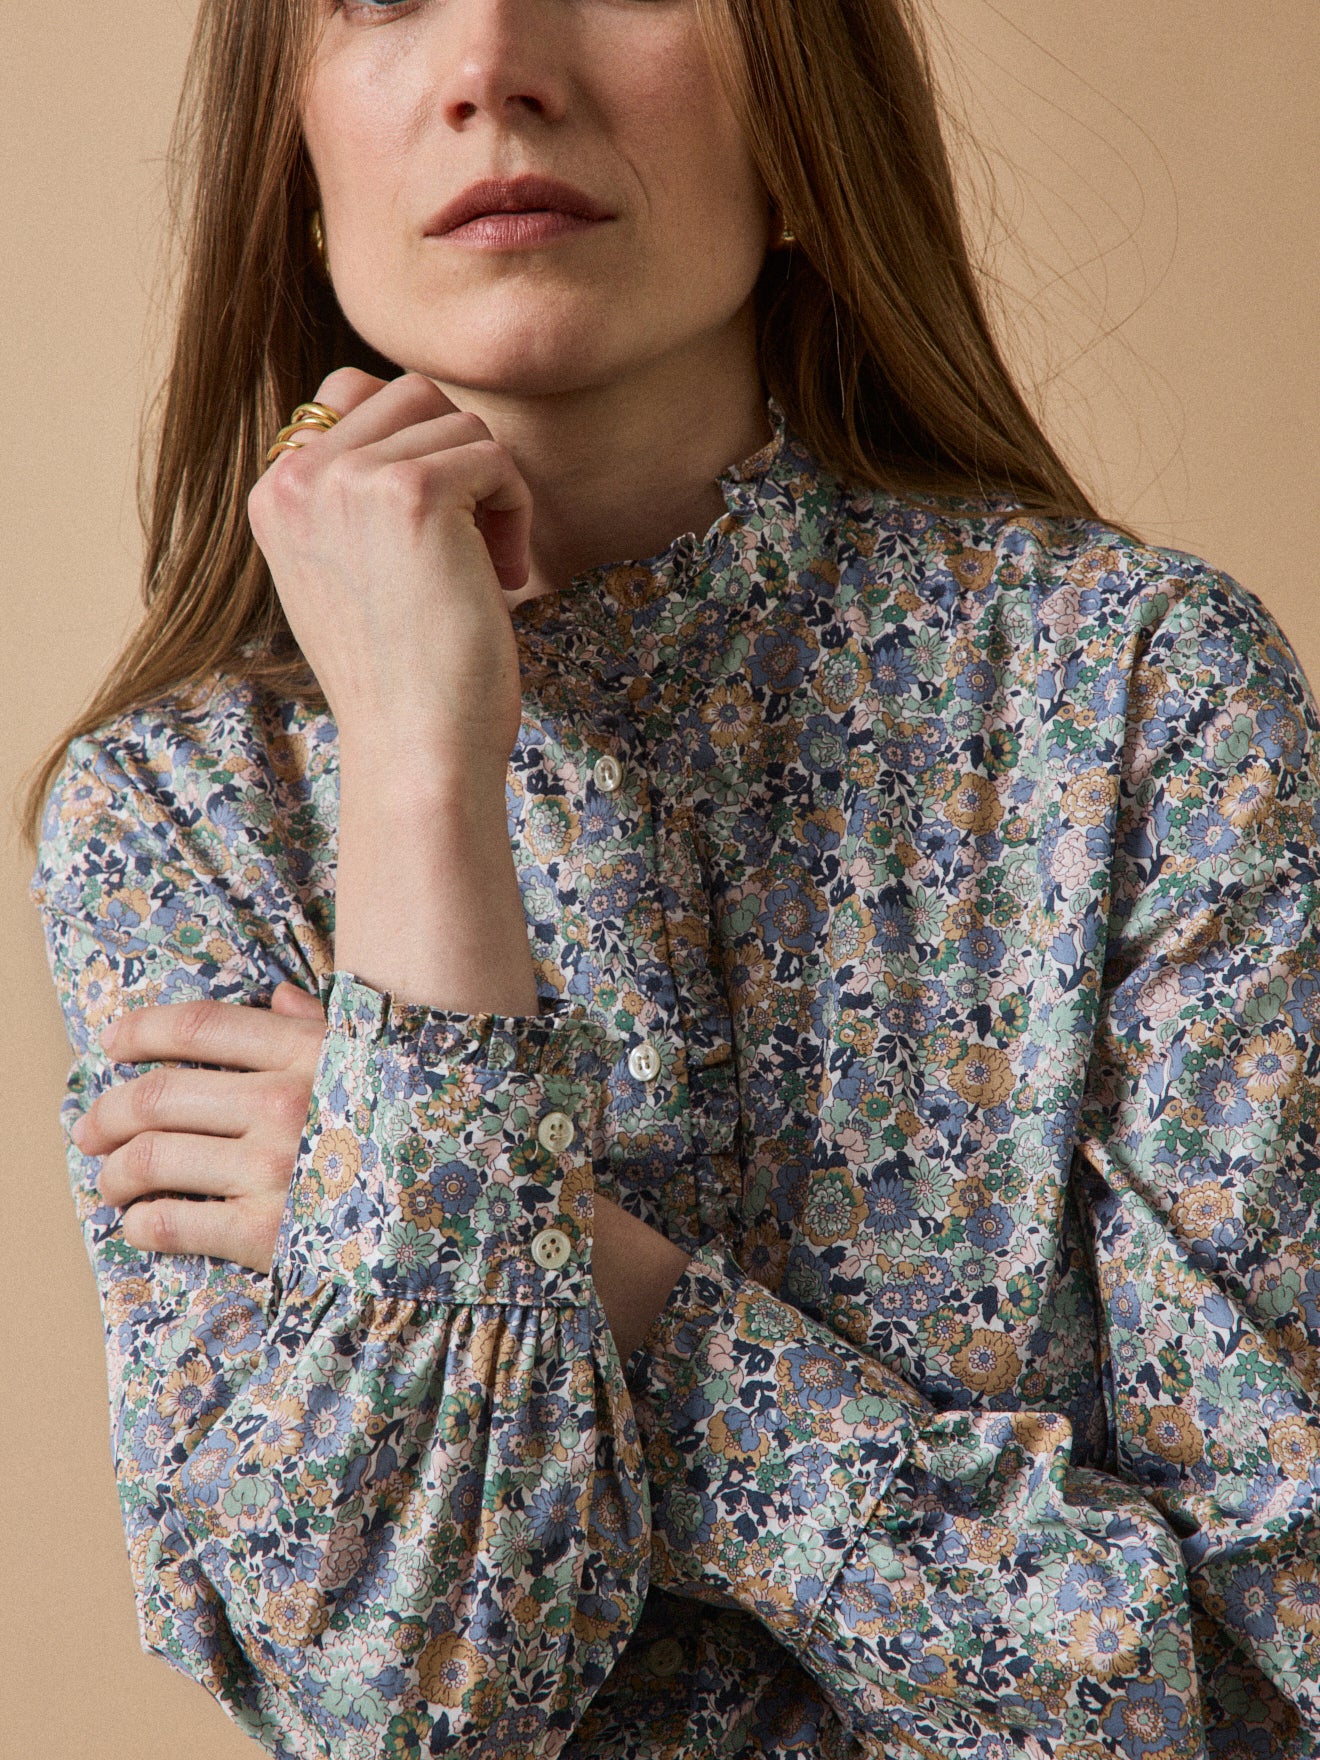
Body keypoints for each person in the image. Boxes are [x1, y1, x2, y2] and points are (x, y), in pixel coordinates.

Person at [22, 0, 1320, 1754]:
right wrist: (420, 761)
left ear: (802, 116)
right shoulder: (179, 811)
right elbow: (404, 1708)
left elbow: (1246, 1680)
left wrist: (561, 1258)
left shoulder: (1146, 695)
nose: (494, 65)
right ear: (299, 173)